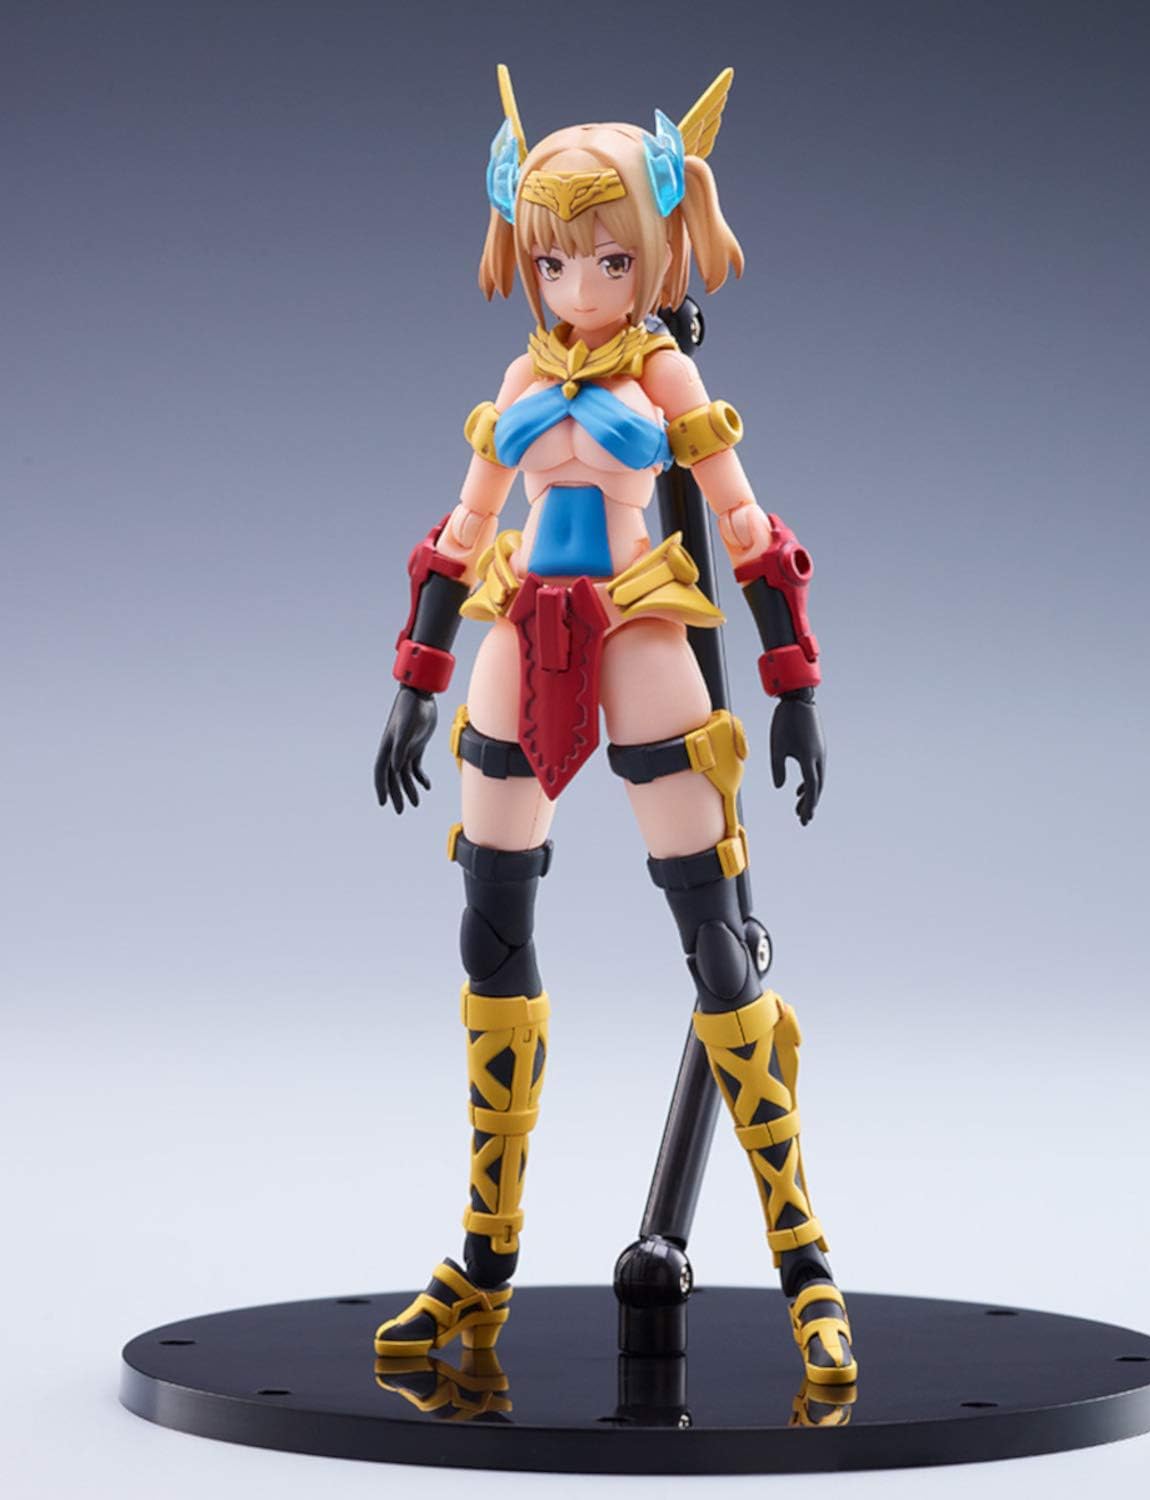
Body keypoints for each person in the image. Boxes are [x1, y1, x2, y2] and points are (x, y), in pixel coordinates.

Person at [371, 66, 854, 1387]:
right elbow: (465, 525)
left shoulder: (664, 369)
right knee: (491, 932)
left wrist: (794, 684)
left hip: (641, 632)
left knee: (719, 944)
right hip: (521, 636)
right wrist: (416, 675)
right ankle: (484, 1259)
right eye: (553, 259)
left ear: (653, 252)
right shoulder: (521, 372)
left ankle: (806, 1263)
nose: (578, 284)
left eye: (607, 258)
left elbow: (746, 523)